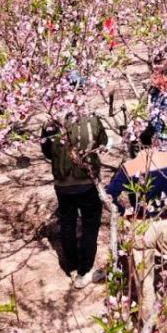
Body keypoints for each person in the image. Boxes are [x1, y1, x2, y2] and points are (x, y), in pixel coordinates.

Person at [106, 135, 167, 317]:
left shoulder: (130, 167)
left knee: (143, 275)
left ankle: (148, 318)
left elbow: (110, 194)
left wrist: (124, 211)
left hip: (141, 224)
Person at [40, 112, 107, 288]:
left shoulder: (51, 122)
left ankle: (72, 267)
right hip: (87, 181)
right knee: (90, 226)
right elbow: (102, 142)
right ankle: (85, 271)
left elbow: (46, 151)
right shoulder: (91, 119)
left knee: (67, 224)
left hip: (62, 184)